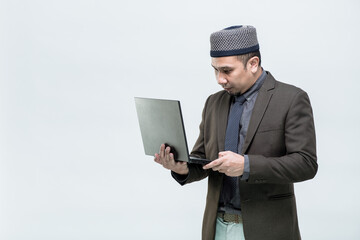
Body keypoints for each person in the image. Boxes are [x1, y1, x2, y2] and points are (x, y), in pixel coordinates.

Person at [154, 25, 318, 240]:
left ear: (253, 63)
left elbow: (306, 164)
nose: (219, 79)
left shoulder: (291, 99)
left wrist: (246, 165)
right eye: (215, 69)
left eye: (227, 71)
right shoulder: (214, 102)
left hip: (267, 229)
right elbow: (204, 161)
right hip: (217, 228)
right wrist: (181, 168)